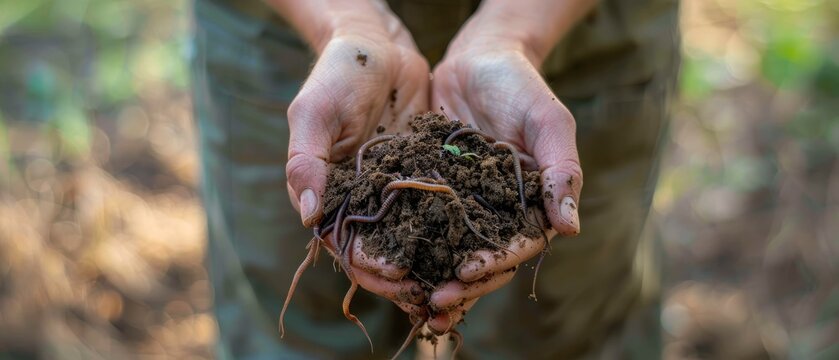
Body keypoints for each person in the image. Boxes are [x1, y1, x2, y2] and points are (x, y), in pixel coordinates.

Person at [191, 0, 679, 358]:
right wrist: (348, 21)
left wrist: (517, 28)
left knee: (559, 333)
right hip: (288, 37)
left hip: (577, 35)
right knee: (303, 339)